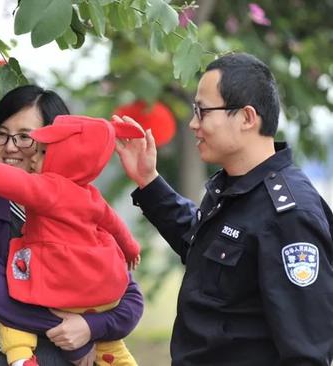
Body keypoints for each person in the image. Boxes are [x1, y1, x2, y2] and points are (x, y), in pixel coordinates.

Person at [115, 52, 333, 366]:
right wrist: (148, 181)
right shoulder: (233, 189)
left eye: (202, 111)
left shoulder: (289, 214)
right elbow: (200, 246)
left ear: (246, 117)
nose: (193, 124)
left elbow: (307, 355)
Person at [0, 85, 144, 366]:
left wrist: (90, 328)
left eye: (25, 137)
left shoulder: (82, 210)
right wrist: (79, 330)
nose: (10, 146)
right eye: (1, 134)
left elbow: (129, 297)